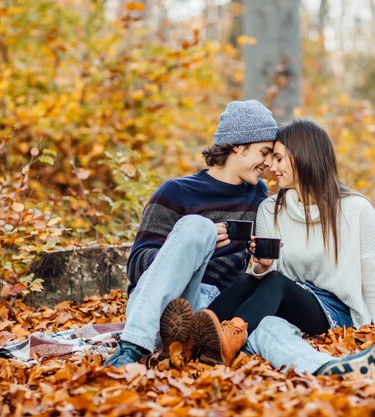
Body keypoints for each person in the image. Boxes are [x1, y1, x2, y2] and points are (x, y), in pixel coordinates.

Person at [171, 119, 375, 375]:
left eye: (278, 158)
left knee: (275, 281)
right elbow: (269, 276)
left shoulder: (356, 210)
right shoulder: (271, 209)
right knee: (248, 281)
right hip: (290, 298)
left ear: (303, 156)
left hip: (335, 310)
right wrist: (260, 267)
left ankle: (221, 341)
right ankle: (193, 339)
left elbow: (370, 276)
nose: (271, 166)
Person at [105, 100, 278, 367]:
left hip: (210, 312)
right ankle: (130, 348)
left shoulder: (259, 195)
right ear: (238, 145)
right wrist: (196, 247)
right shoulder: (176, 192)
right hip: (157, 301)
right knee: (197, 228)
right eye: (264, 152)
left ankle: (180, 343)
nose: (268, 163)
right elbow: (137, 266)